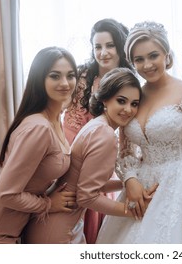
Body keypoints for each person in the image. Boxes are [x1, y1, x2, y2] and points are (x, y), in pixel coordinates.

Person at [96, 21, 182, 244]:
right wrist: (130, 179)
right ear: (131, 62)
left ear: (166, 55)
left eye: (153, 55)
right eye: (139, 59)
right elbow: (126, 151)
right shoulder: (134, 96)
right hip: (143, 188)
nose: (147, 64)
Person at [23, 68, 156, 243]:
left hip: (55, 221)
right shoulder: (105, 134)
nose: (128, 110)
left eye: (134, 104)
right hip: (58, 228)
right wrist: (130, 210)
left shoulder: (97, 125)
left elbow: (89, 185)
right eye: (121, 101)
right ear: (105, 99)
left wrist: (128, 183)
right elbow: (87, 196)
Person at [0, 46, 77, 243]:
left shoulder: (55, 120)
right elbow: (5, 193)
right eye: (55, 76)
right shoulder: (39, 127)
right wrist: (48, 204)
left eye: (70, 75)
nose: (65, 83)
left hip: (11, 226)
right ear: (39, 80)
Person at [62, 18, 133, 244]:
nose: (103, 53)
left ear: (120, 47)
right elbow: (65, 118)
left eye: (109, 45)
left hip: (102, 160)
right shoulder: (82, 76)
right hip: (73, 156)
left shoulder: (130, 83)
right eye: (97, 47)